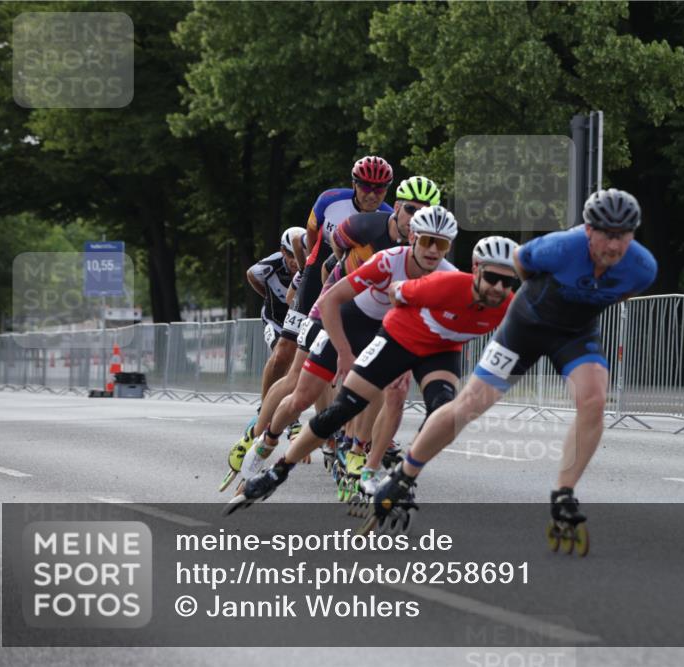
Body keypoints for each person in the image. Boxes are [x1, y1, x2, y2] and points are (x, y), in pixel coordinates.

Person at [371, 189, 657, 556]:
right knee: (470, 405)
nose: (614, 244)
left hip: (574, 334)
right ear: (588, 230)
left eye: (624, 234)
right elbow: (520, 262)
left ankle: (564, 493)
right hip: (526, 326)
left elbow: (624, 292)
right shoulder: (560, 248)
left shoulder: (642, 267)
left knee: (594, 399)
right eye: (606, 234)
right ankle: (405, 473)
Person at [225, 236, 520, 514]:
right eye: (492, 278)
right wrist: (367, 356)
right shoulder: (444, 282)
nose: (498, 287)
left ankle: (401, 476)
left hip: (442, 348)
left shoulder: (510, 305)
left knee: (444, 413)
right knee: (339, 409)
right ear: (476, 270)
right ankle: (279, 468)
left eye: (507, 282)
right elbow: (395, 294)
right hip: (399, 336)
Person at [227, 206, 460, 496]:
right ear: (412, 236)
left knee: (392, 390)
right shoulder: (385, 257)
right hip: (342, 316)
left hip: (385, 328)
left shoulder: (450, 277)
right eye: (427, 241)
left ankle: (360, 457)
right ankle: (266, 440)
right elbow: (330, 294)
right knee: (302, 393)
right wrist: (344, 352)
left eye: (442, 244)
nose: (432, 251)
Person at [219, 157, 394, 492]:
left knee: (356, 374)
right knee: (287, 359)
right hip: (319, 277)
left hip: (354, 286)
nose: (372, 194)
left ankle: (346, 441)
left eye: (379, 188)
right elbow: (313, 242)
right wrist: (304, 277)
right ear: (354, 184)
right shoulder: (329, 200)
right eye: (366, 186)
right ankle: (256, 432)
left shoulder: (387, 218)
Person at [246, 227, 304, 397]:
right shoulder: (272, 265)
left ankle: (285, 409)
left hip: (297, 322)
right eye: (290, 255)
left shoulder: (311, 264)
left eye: (298, 255)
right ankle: (265, 407)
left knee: (295, 364)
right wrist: (267, 295)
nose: (295, 261)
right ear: (282, 252)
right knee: (280, 357)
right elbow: (251, 274)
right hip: (275, 319)